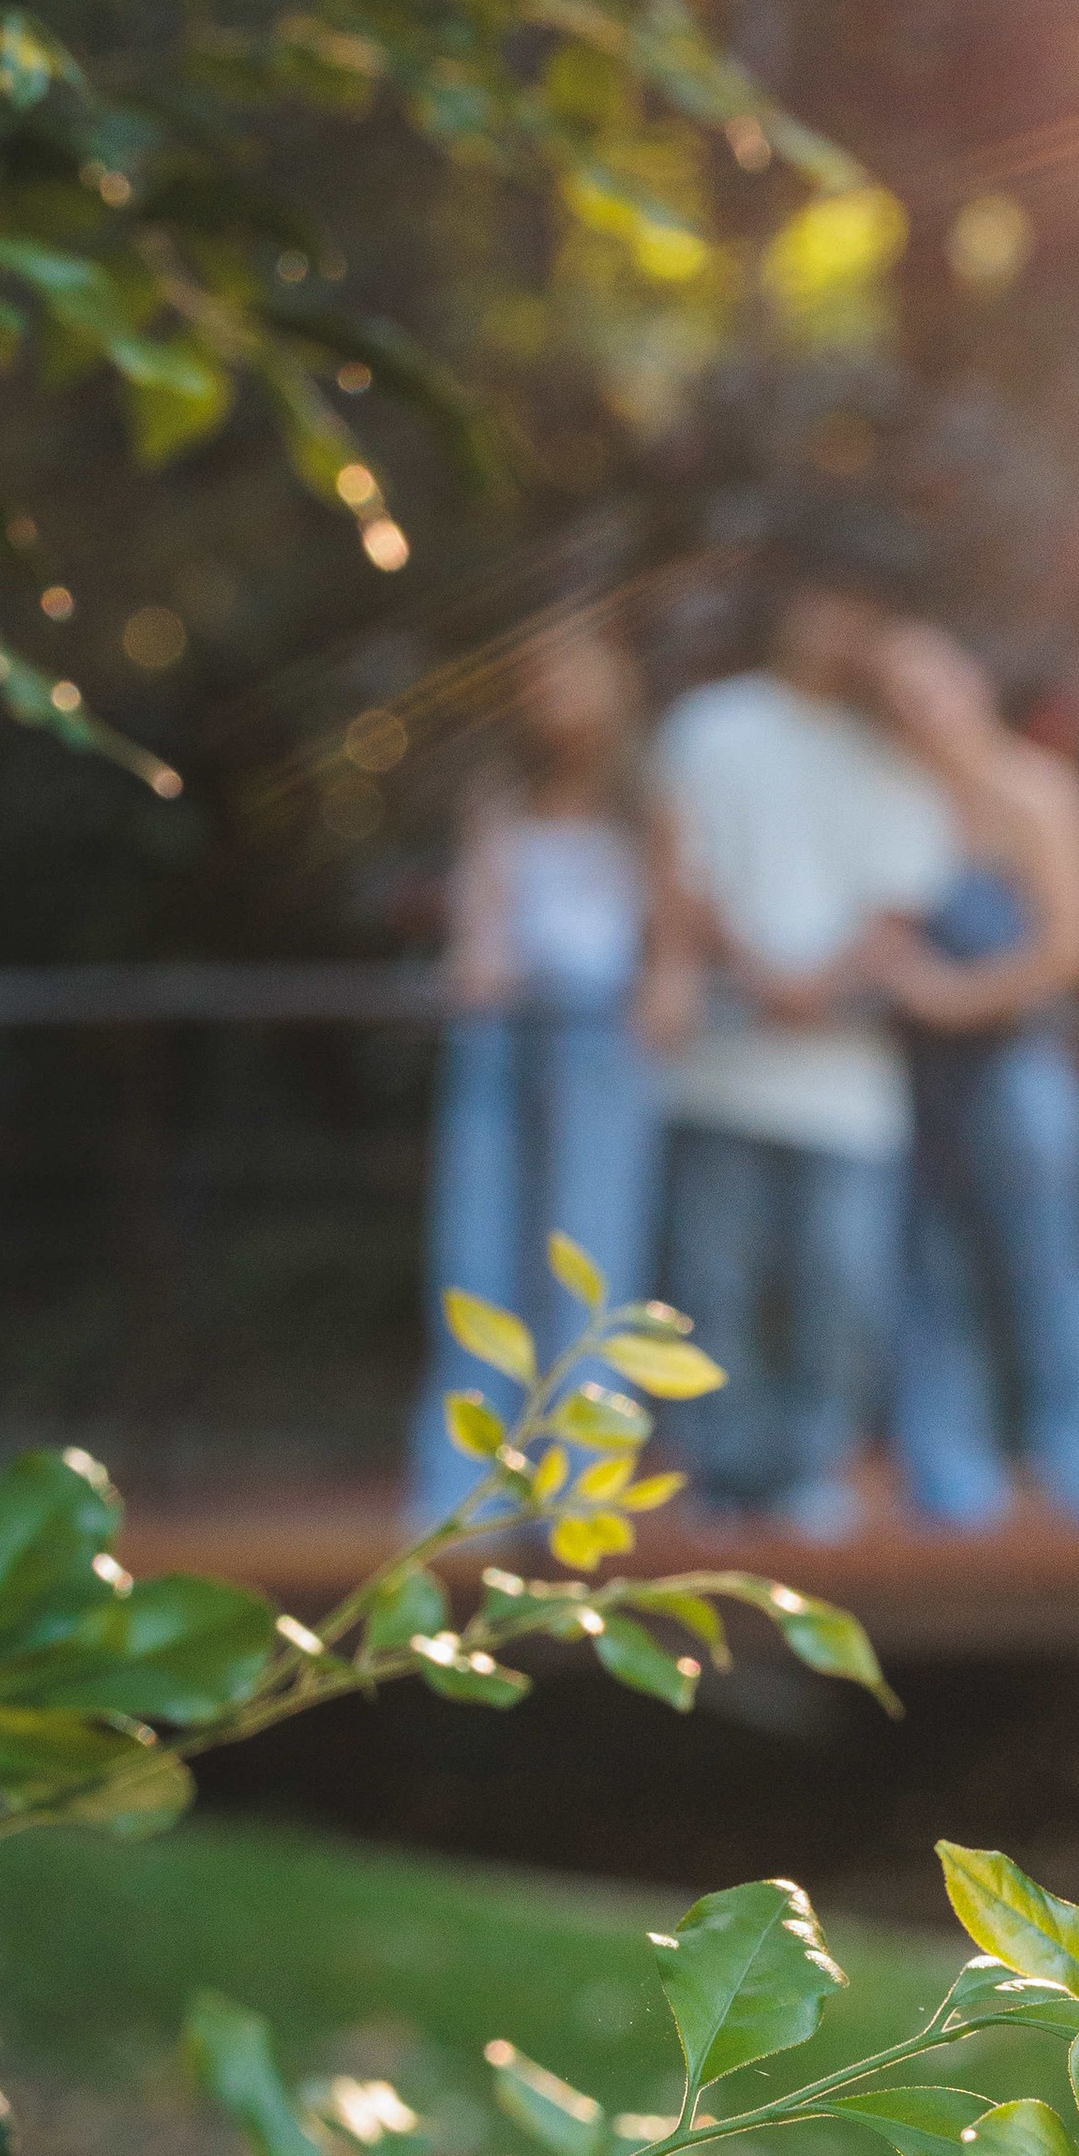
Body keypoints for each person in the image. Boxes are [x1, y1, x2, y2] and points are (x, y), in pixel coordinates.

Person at [635, 521, 956, 1538]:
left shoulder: (892, 756)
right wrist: (753, 969)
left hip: (845, 1086)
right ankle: (726, 1478)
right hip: (719, 1069)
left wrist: (816, 983)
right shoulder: (709, 729)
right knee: (710, 1292)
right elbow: (678, 868)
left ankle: (812, 1469)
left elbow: (901, 899)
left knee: (839, 1293)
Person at [867, 622, 1079, 1531]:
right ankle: (951, 1489)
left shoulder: (1035, 791)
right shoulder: (894, 805)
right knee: (927, 1279)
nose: (924, 712)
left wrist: (958, 998)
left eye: (935, 688)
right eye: (900, 701)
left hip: (1018, 1073)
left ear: (973, 685)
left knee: (1052, 1273)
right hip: (910, 1080)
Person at [406, 606, 655, 1524]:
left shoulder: (643, 795)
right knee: (475, 1262)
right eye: (536, 676)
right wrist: (475, 962)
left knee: (590, 1268)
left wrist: (659, 995)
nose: (550, 694)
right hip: (507, 1034)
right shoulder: (500, 791)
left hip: (599, 1041)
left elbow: (674, 932)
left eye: (567, 672)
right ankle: (463, 1493)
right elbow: (479, 926)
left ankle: (579, 1493)